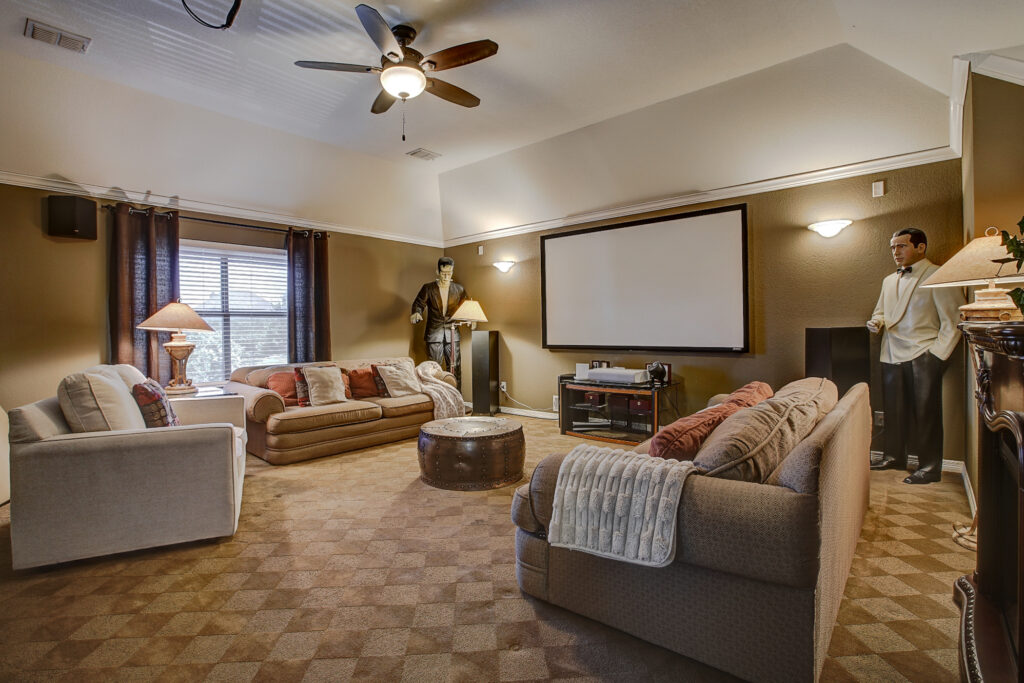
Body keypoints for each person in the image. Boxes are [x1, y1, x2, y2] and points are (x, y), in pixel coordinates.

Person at [866, 228, 964, 484]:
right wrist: (876, 322)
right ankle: (893, 456)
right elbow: (881, 312)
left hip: (923, 352)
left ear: (921, 247)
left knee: (926, 413)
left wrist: (936, 356)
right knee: (893, 410)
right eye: (893, 247)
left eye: (902, 246)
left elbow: (953, 319)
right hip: (891, 352)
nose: (896, 252)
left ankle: (930, 466)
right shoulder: (888, 280)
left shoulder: (939, 275)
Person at [411, 257, 468, 385]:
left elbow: (467, 305)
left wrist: (471, 319)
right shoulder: (428, 288)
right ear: (437, 271)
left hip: (453, 333)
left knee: (455, 367)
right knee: (433, 368)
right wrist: (416, 313)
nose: (447, 276)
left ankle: (456, 396)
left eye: (450, 273)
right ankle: (436, 396)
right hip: (434, 333)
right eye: (443, 273)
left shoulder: (459, 289)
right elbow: (419, 303)